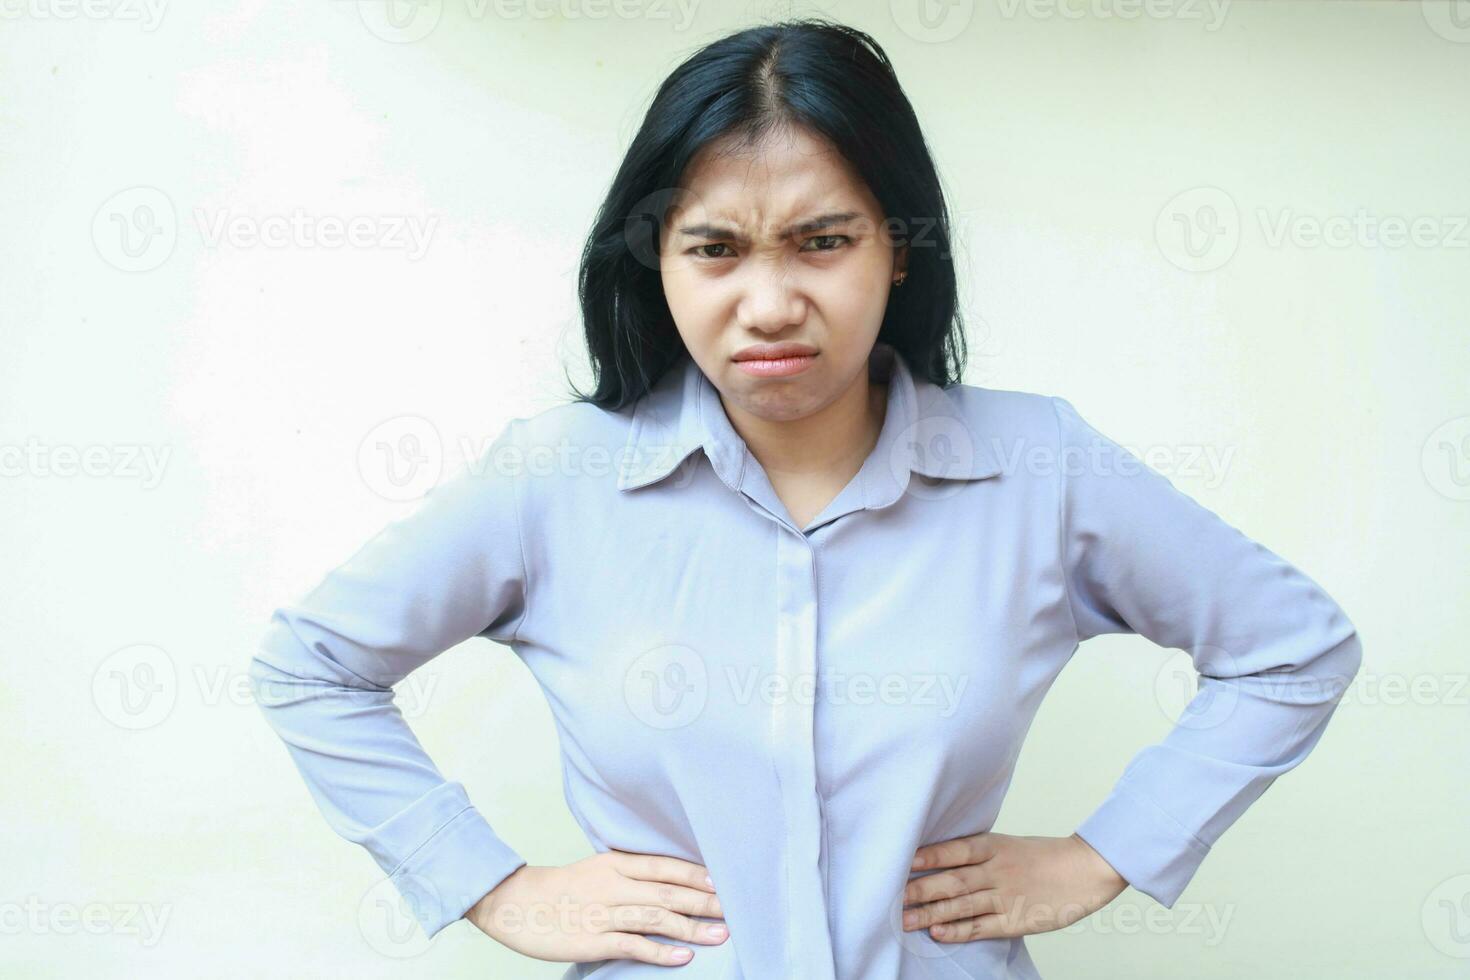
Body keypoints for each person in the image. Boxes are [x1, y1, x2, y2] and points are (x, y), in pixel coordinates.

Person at [248, 19, 1363, 979]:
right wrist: (490, 882)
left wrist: (1108, 849)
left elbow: (1290, 646)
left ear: (900, 251)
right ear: (658, 264)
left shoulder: (1039, 462)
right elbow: (311, 665)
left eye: (823, 242)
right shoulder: (556, 477)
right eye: (716, 249)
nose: (769, 302)